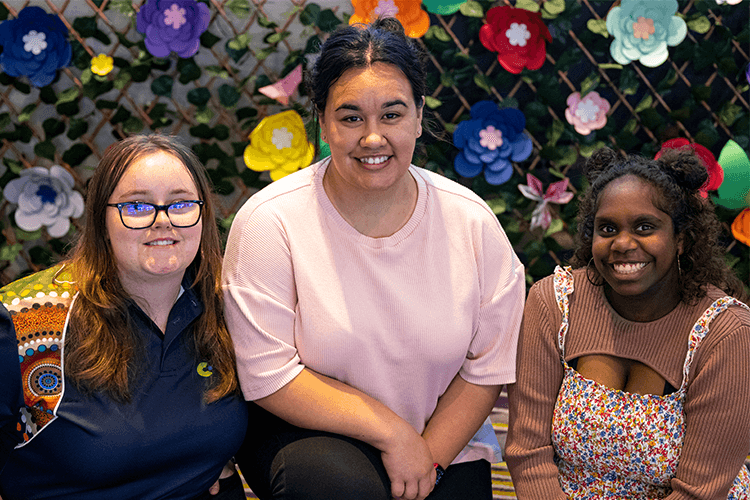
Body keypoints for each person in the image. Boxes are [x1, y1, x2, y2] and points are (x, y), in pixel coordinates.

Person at [222, 17, 525, 500]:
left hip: (439, 435)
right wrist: (391, 433)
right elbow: (269, 375)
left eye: (391, 114)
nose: (372, 137)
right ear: (322, 121)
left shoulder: (471, 222)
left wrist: (426, 455)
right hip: (306, 434)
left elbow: (485, 369)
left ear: (419, 116)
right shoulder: (269, 222)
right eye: (350, 117)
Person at [0, 135, 248, 500]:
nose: (162, 221)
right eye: (137, 207)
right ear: (102, 220)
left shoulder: (228, 307)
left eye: (180, 204)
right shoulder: (25, 321)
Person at [505, 146, 750, 498]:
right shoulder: (555, 303)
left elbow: (699, 490)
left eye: (644, 227)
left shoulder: (726, 332)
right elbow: (528, 453)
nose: (622, 243)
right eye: (607, 229)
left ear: (680, 239)